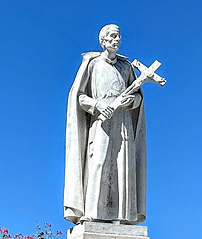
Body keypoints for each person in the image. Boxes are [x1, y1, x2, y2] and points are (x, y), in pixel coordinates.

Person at [63, 24, 147, 225]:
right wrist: (97, 104)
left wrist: (133, 101)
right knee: (98, 162)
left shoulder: (126, 67)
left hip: (123, 121)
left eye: (118, 36)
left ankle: (123, 216)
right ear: (103, 41)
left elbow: (137, 97)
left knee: (122, 166)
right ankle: (92, 212)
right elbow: (80, 97)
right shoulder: (93, 64)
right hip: (101, 121)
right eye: (112, 36)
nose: (116, 40)